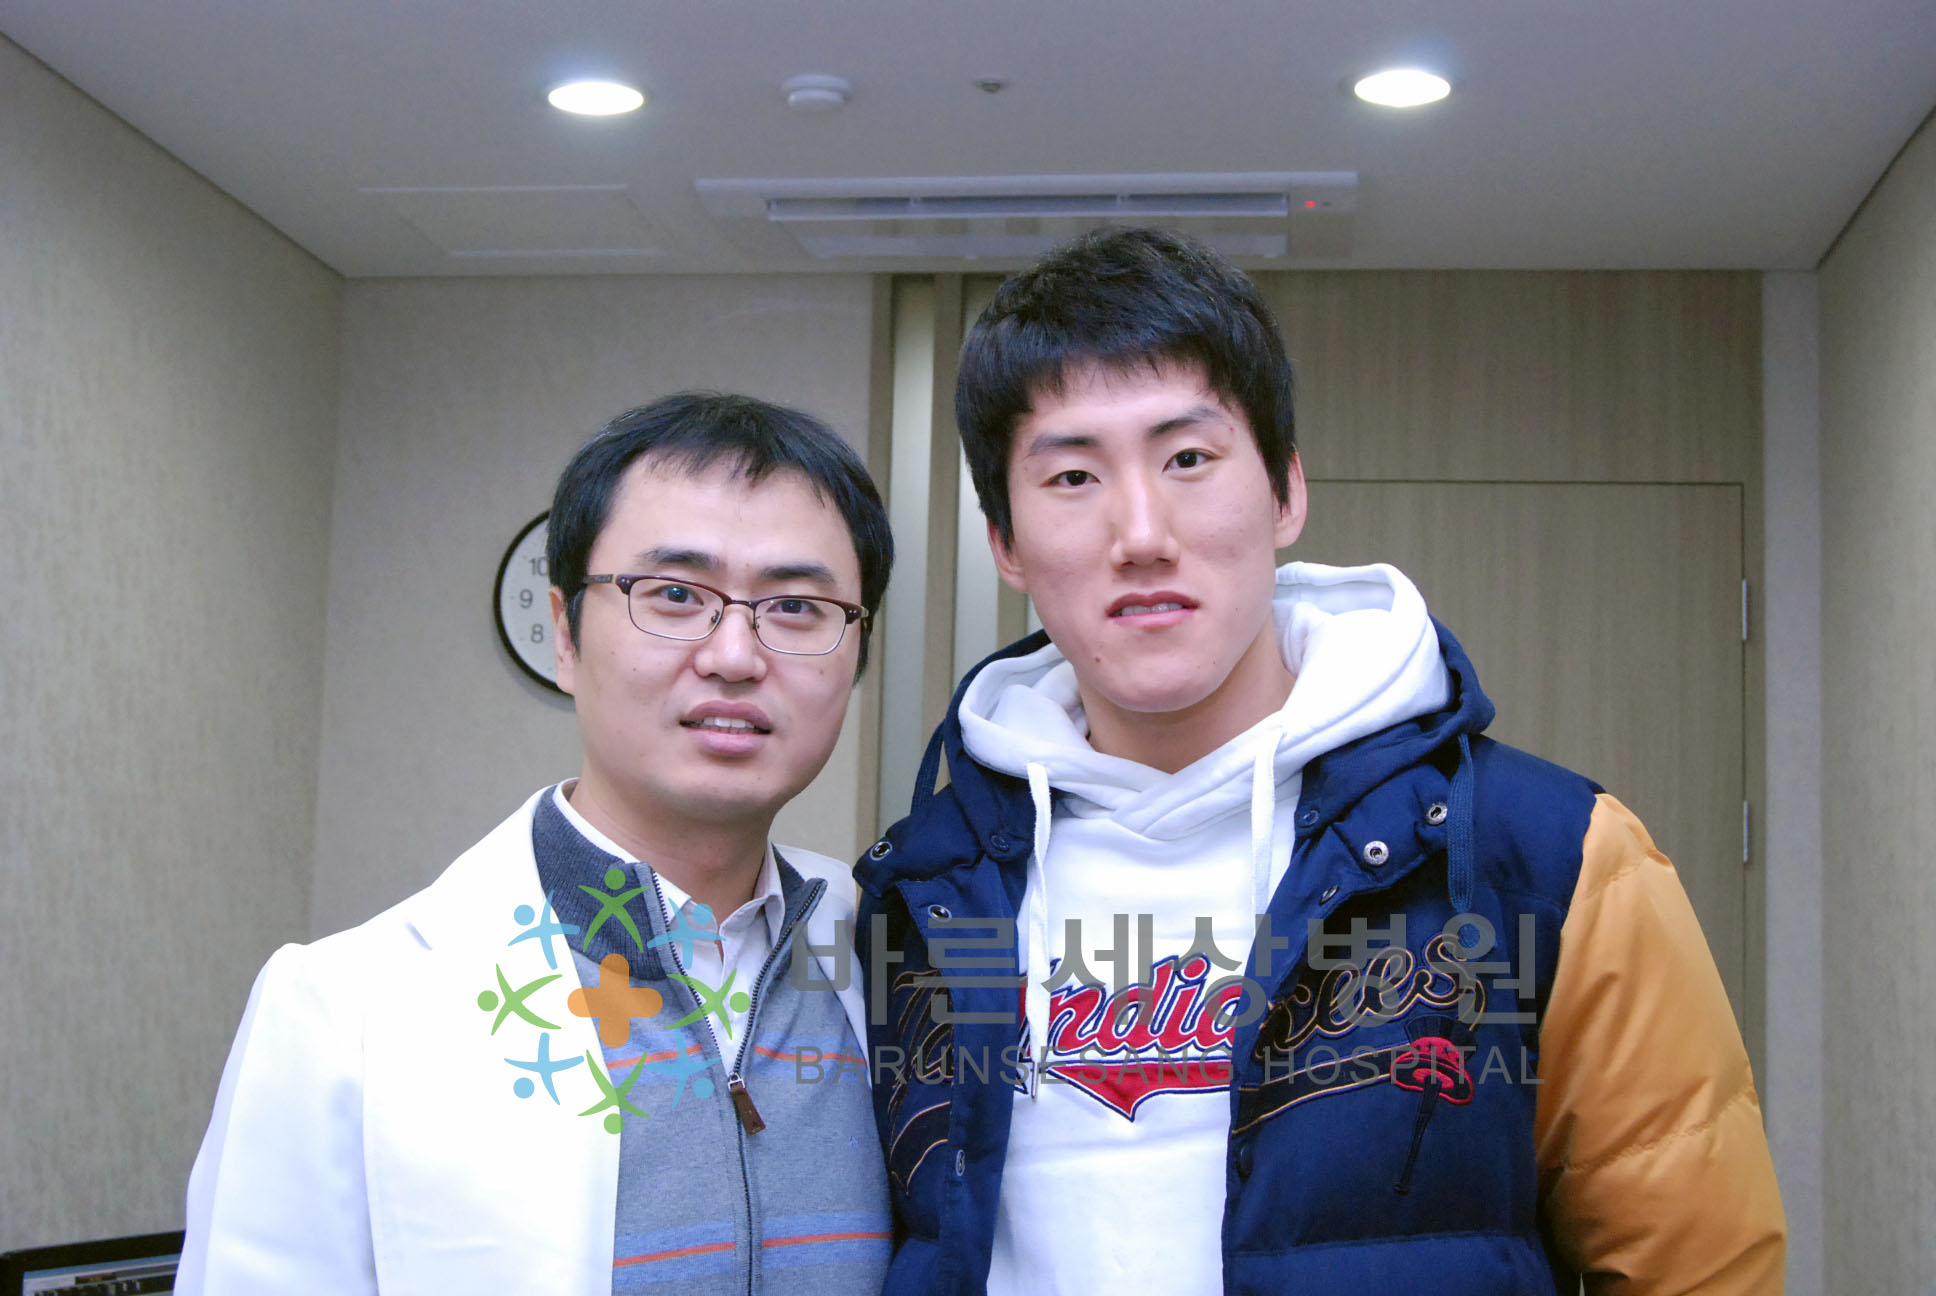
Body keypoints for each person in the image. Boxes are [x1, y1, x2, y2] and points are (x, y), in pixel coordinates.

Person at [855, 228, 1786, 1294]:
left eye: (1188, 459)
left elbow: (1696, 1271)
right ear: (1006, 544)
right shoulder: (920, 890)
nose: (1141, 532)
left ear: (1285, 491)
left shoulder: (1553, 856)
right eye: (1072, 475)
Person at [181, 393, 895, 1295]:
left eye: (796, 606)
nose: (734, 655)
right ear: (565, 634)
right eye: (675, 595)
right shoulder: (342, 1014)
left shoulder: (891, 958)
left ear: (856, 652)